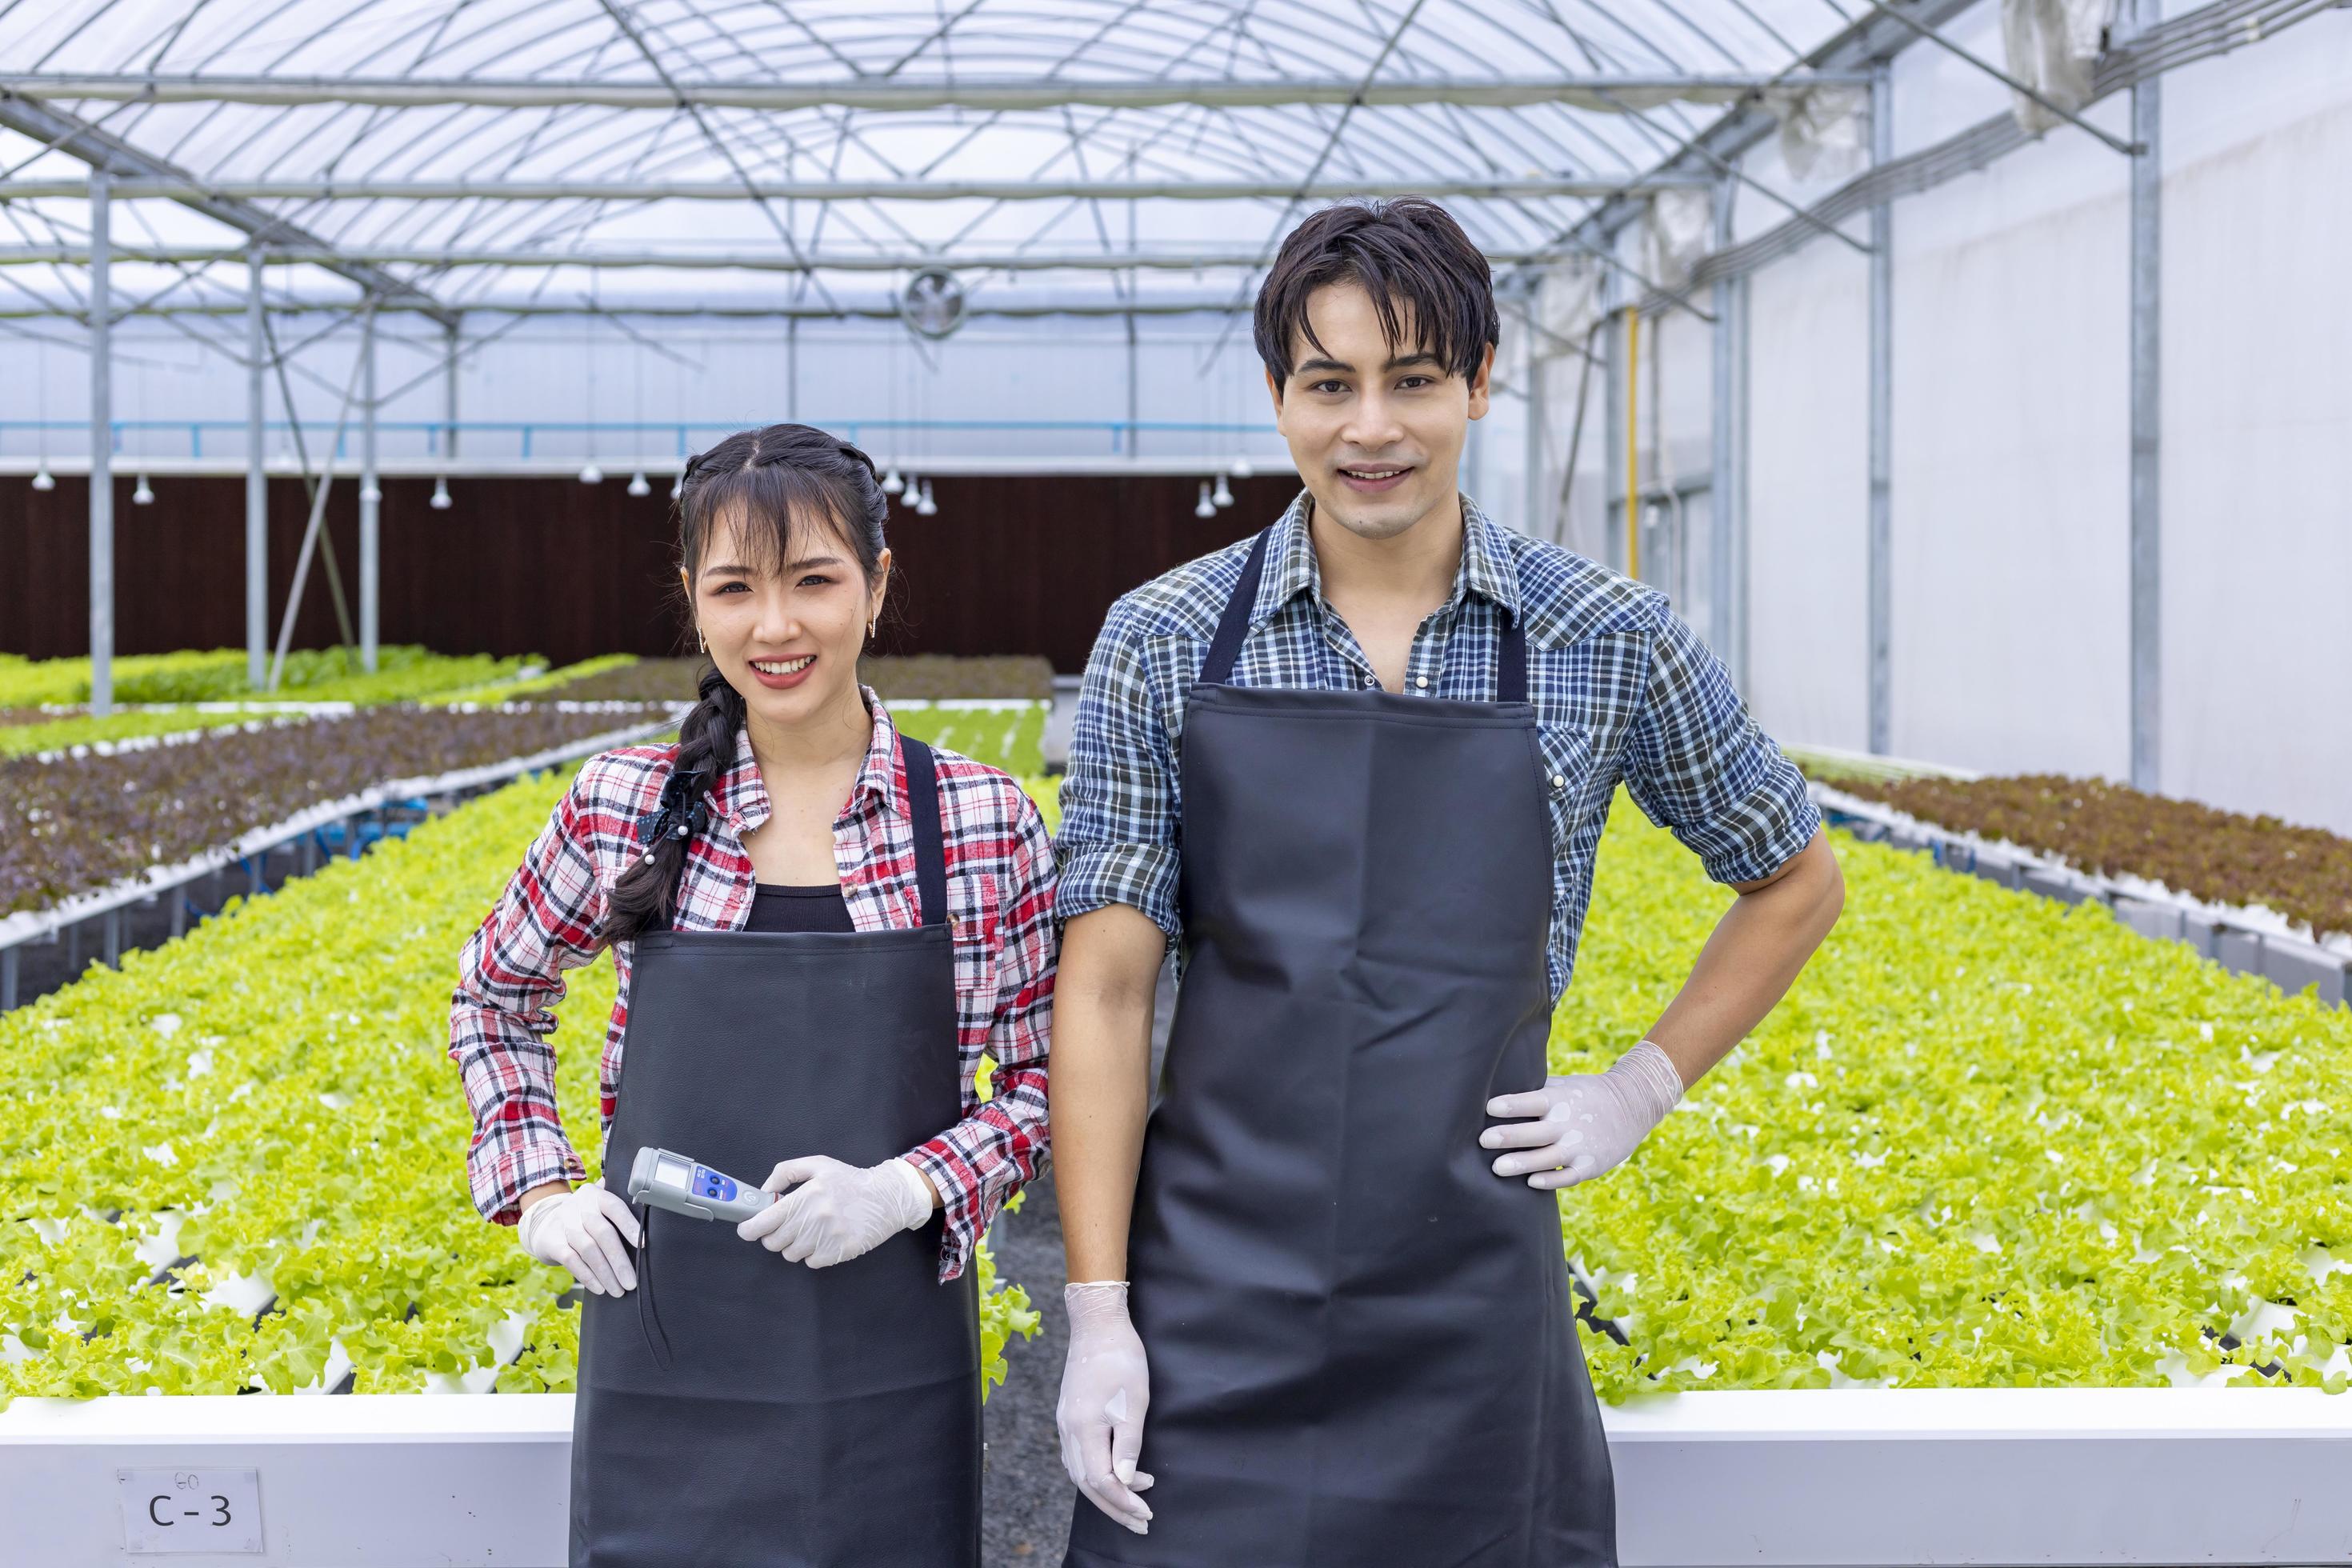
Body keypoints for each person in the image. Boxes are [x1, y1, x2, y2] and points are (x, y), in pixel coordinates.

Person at [1049, 198, 1846, 1566]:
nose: (1372, 429)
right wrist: (1101, 1311)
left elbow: (1796, 878)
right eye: (1330, 385)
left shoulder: (1605, 634)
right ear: (1278, 398)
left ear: (1480, 381)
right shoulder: (1166, 637)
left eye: (1413, 381)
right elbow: (1109, 997)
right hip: (1217, 1285)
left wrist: (1638, 1088)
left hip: (1470, 1295)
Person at [447, 424, 1056, 1567]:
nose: (775, 628)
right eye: (735, 589)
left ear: (877, 585)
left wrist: (906, 1187)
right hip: (666, 1351)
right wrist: (539, 1191)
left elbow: (1038, 1086)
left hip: (890, 1367)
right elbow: (496, 992)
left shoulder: (978, 820)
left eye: (814, 581)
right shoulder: (623, 802)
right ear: (692, 598)